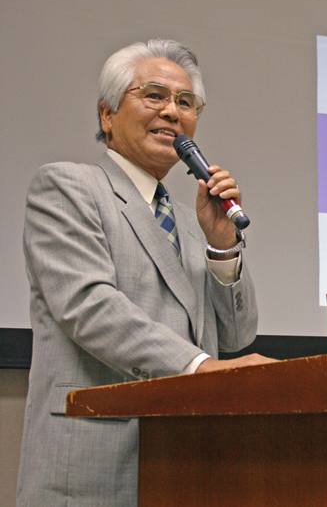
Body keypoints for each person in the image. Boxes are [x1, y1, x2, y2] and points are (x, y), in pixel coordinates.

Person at [17, 39, 272, 506]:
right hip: (96, 456)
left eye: (185, 102)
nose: (172, 113)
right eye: (154, 96)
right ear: (107, 115)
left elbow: (236, 337)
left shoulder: (194, 219)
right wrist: (201, 369)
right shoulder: (68, 186)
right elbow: (89, 307)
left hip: (188, 461)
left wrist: (222, 247)